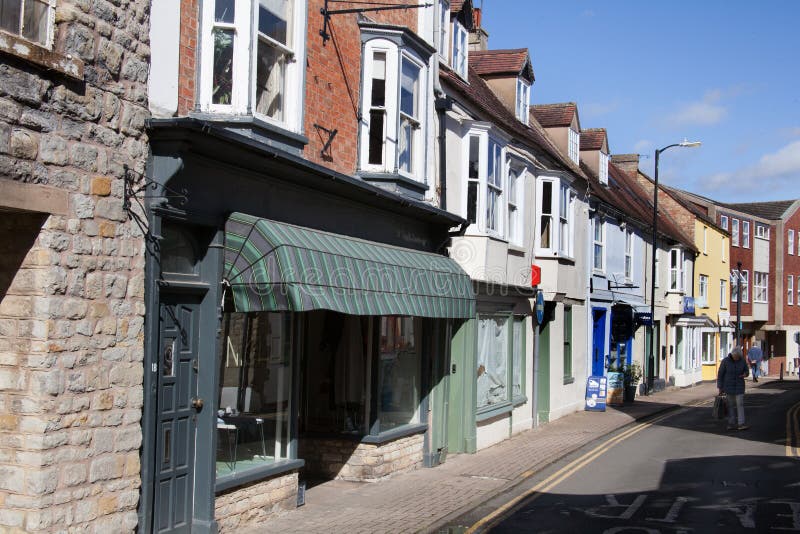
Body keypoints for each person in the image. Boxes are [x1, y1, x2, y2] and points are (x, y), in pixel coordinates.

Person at [717, 346, 749, 431]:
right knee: (730, 405)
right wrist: (720, 387)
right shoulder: (725, 361)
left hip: (739, 387)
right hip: (728, 387)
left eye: (738, 357)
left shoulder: (742, 361)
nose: (736, 358)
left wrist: (745, 374)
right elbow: (720, 374)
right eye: (735, 357)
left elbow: (747, 371)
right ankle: (731, 423)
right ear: (732, 355)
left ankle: (741, 424)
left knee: (740, 405)